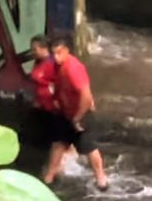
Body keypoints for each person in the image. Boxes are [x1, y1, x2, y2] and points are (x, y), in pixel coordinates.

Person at [44, 35, 110, 191]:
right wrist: (56, 100)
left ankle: (101, 178)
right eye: (53, 54)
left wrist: (77, 119)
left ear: (67, 51)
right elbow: (58, 85)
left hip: (81, 114)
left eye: (59, 53)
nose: (56, 57)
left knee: (88, 147)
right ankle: (50, 175)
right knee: (59, 142)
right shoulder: (56, 65)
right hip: (64, 111)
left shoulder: (73, 69)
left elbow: (86, 98)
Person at [26, 35, 57, 114]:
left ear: (44, 48)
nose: (32, 52)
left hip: (50, 107)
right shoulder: (38, 62)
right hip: (40, 103)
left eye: (34, 49)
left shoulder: (52, 64)